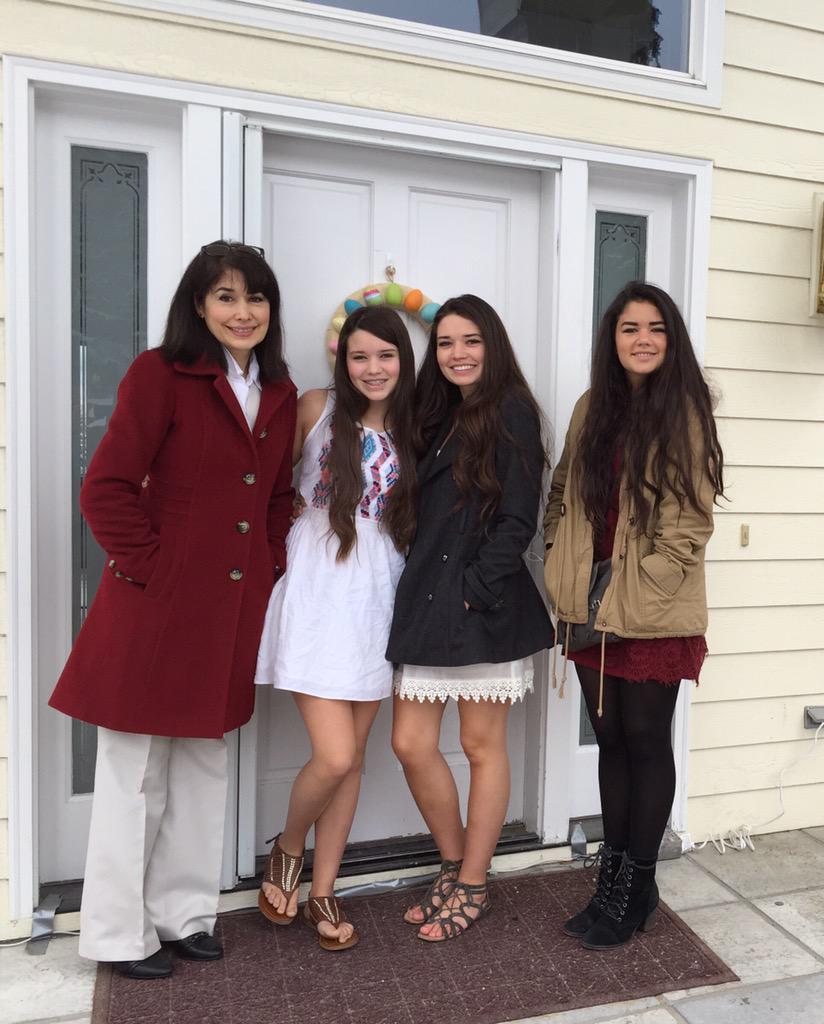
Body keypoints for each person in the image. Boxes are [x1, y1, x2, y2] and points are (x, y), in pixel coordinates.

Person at [48, 242, 296, 979]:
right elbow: (106, 488)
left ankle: (183, 917)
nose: (243, 312)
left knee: (202, 767)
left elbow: (275, 497)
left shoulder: (278, 391)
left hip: (230, 611)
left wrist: (267, 565)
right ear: (199, 305)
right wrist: (155, 571)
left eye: (256, 297)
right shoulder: (160, 374)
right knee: (135, 775)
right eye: (226, 297)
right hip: (155, 610)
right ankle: (118, 935)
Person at [544, 281, 724, 950]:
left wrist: (651, 581)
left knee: (646, 740)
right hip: (590, 601)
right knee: (610, 739)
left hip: (651, 608)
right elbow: (562, 489)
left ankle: (639, 884)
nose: (642, 339)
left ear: (671, 339)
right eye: (629, 328)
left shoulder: (685, 410)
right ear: (612, 339)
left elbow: (691, 519)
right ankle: (613, 877)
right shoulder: (593, 405)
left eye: (655, 328)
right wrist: (557, 551)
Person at [387, 294, 552, 942]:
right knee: (411, 743)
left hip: (482, 603)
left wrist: (474, 591)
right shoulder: (435, 414)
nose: (457, 353)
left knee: (482, 747)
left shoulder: (511, 410)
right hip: (428, 598)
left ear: (493, 346)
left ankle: (475, 884)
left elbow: (517, 517)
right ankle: (455, 865)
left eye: (471, 341)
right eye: (446, 342)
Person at [255, 305, 416, 951]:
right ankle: (288, 848)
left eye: (385, 355)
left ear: (403, 360)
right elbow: (264, 484)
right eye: (360, 356)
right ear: (342, 360)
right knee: (336, 755)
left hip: (379, 595)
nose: (373, 368)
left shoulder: (416, 425)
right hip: (318, 590)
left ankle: (323, 890)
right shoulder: (315, 408)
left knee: (353, 760)